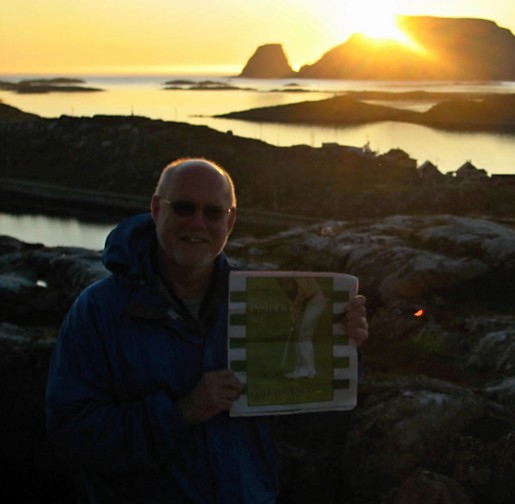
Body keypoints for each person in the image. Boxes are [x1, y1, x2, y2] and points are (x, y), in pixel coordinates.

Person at [45, 158, 369, 503]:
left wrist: (340, 346)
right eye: (184, 208)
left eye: (213, 213)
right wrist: (180, 412)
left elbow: (308, 423)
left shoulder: (259, 299)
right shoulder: (99, 311)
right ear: (156, 209)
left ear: (230, 221)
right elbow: (72, 433)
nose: (197, 223)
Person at [279, 277, 327, 380]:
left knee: (304, 335)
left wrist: (296, 307)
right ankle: (307, 369)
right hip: (310, 302)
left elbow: (303, 289)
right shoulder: (287, 277)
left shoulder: (296, 273)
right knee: (302, 335)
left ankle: (305, 369)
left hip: (314, 300)